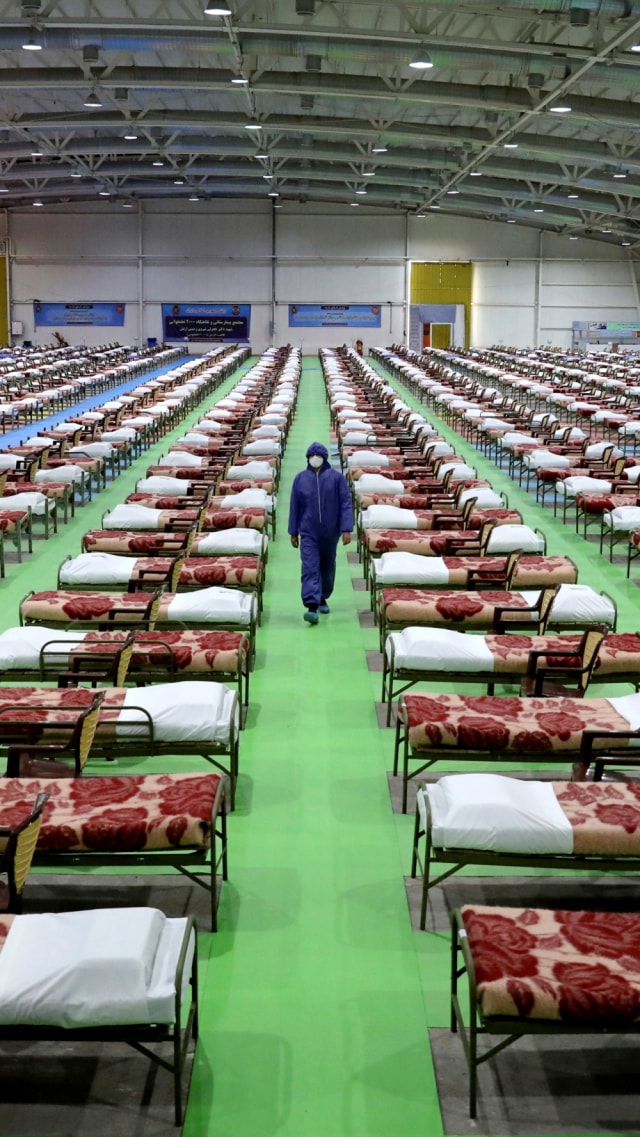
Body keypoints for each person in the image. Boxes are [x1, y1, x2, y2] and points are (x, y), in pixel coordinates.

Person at [288, 441, 354, 625]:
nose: (314, 458)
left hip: (331, 532)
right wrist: (293, 532)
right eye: (311, 455)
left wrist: (346, 528)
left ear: (324, 458)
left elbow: (345, 503)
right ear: (308, 458)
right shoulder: (300, 479)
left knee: (327, 566)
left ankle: (323, 596)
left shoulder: (336, 478)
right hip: (308, 531)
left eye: (318, 456)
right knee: (310, 566)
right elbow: (295, 506)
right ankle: (311, 605)